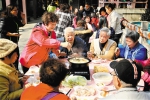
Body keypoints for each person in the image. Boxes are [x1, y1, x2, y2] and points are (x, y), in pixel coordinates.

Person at [1, 4, 25, 70]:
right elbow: (3, 31)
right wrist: (12, 34)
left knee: (16, 56)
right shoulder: (6, 18)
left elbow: (22, 24)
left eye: (17, 10)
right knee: (11, 57)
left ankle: (16, 71)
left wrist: (23, 17)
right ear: (10, 11)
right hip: (8, 42)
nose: (16, 11)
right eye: (15, 10)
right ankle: (12, 71)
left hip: (15, 41)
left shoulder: (14, 18)